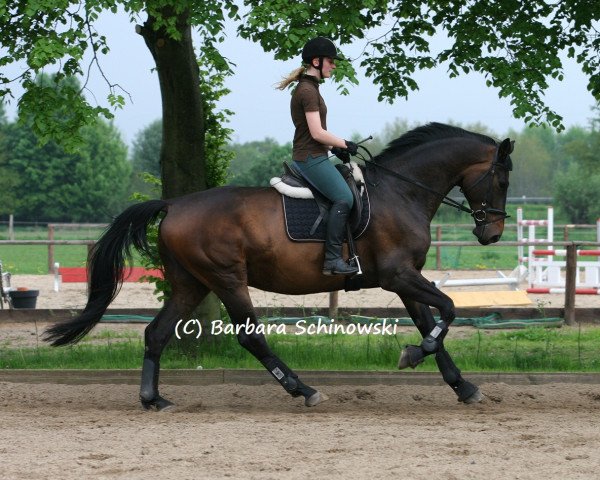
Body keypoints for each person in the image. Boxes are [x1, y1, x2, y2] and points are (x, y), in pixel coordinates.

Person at [277, 37, 359, 276]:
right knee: (344, 197)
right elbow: (316, 131)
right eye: (330, 61)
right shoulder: (307, 91)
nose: (333, 66)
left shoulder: (310, 88)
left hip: (315, 153)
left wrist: (334, 148)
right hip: (309, 158)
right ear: (316, 61)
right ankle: (332, 259)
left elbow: (314, 134)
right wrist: (345, 143)